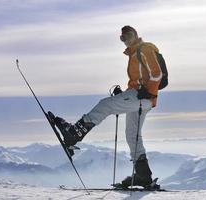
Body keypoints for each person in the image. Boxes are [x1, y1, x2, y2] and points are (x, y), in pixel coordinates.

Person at [51, 25, 163, 188]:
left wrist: (148, 91)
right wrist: (128, 93)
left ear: (136, 35)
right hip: (142, 97)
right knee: (133, 135)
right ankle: (143, 176)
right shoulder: (134, 53)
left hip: (142, 96)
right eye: (123, 38)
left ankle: (73, 134)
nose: (126, 40)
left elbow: (157, 73)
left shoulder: (144, 49)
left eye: (129, 36)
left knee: (105, 105)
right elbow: (143, 77)